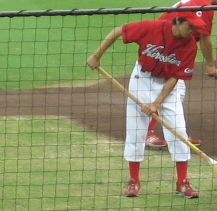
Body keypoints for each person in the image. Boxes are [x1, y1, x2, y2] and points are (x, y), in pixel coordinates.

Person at [86, 13, 205, 199]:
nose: (193, 30)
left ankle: (182, 183)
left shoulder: (190, 45)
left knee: (179, 132)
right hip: (142, 79)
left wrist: (156, 103)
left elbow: (175, 77)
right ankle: (134, 181)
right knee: (136, 131)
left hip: (167, 85)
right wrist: (96, 55)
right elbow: (118, 31)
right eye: (190, 26)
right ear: (178, 21)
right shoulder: (152, 28)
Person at [144, 0, 217, 148]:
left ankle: (179, 135)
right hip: (165, 46)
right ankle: (148, 133)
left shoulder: (198, 0)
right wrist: (210, 66)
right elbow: (205, 38)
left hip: (167, 44)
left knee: (177, 91)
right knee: (171, 91)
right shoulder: (205, 7)